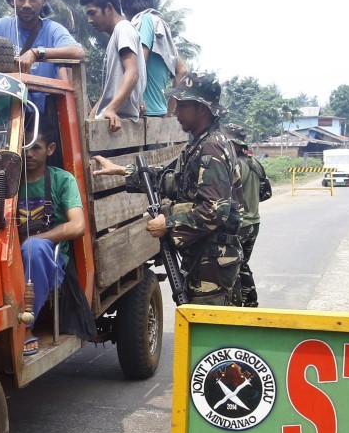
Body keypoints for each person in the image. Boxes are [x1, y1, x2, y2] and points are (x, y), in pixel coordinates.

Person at [93, 72, 242, 305]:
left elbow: (215, 210)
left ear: (202, 109)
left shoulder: (211, 148)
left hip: (212, 268)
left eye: (182, 106)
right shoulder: (200, 143)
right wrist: (122, 171)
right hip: (204, 259)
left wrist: (168, 222)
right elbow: (174, 180)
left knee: (206, 334)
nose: (175, 112)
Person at [18, 126, 85, 355]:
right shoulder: (8, 182)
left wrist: (36, 239)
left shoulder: (62, 180)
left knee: (33, 248)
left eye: (36, 147)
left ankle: (25, 327)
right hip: (11, 255)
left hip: (51, 262)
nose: (29, 154)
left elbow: (78, 225)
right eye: (25, 147)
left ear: (50, 149)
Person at [0, 0, 85, 112]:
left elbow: (78, 52)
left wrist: (36, 53)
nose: (27, 4)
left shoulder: (53, 30)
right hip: (8, 119)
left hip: (44, 118)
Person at [79, 0, 145, 132]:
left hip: (116, 124)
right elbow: (106, 94)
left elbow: (132, 72)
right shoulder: (117, 35)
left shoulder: (123, 29)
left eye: (92, 13)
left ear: (108, 8)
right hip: (109, 122)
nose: (89, 20)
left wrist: (111, 109)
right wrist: (91, 120)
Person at [119, 0, 188, 117]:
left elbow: (140, 63)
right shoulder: (160, 25)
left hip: (142, 111)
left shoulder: (144, 21)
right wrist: (170, 111)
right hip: (159, 112)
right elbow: (183, 71)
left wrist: (138, 99)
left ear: (125, 9)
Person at [224, 123, 264, 307]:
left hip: (241, 224)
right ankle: (250, 302)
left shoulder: (236, 165)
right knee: (242, 264)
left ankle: (238, 305)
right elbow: (266, 192)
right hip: (253, 222)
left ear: (235, 144)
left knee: (233, 266)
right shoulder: (255, 163)